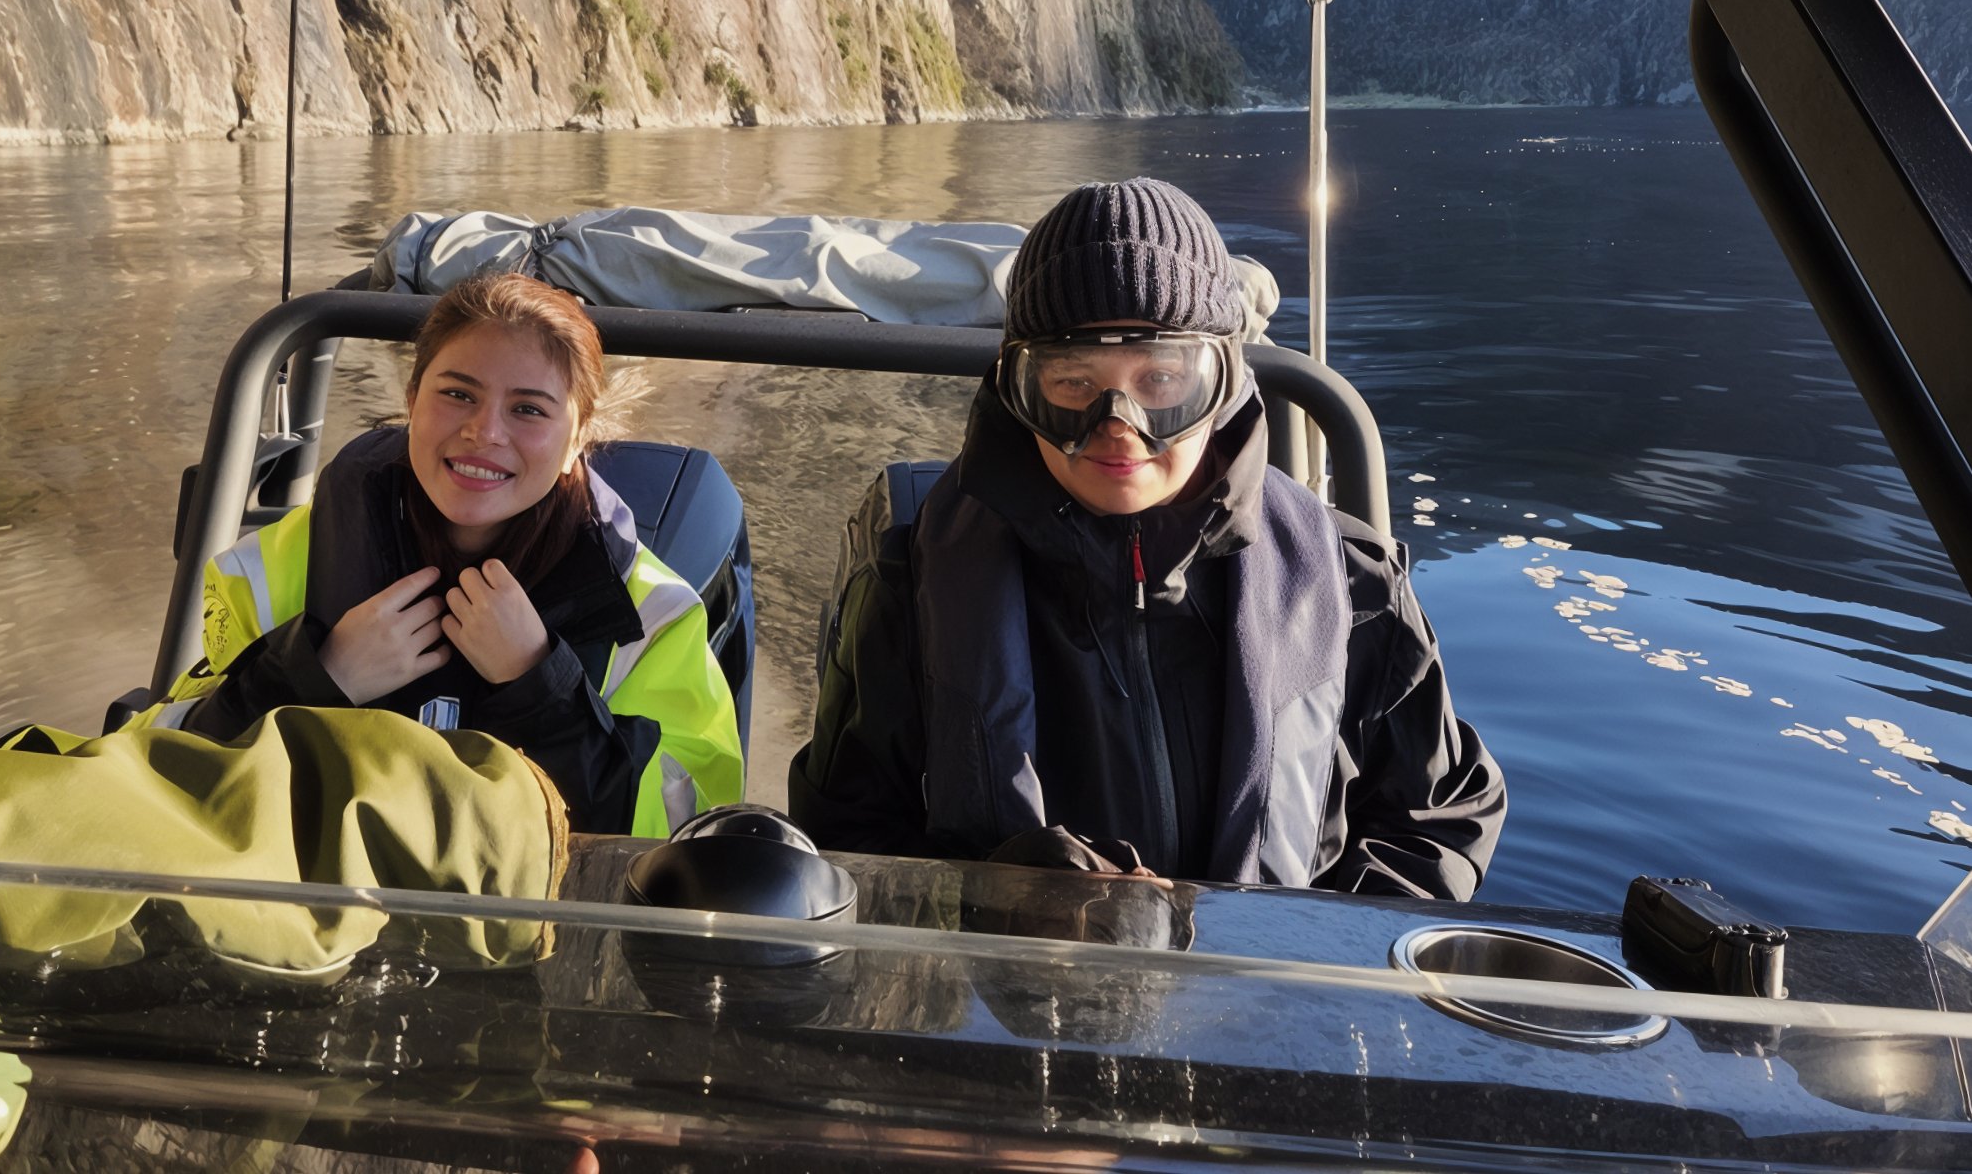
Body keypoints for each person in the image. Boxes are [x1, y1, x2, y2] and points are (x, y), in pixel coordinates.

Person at [787, 178, 1505, 898]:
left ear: (1221, 384)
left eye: (1162, 379)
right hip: (1018, 997)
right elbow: (845, 836)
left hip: (1264, 997)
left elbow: (1437, 818)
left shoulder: (1352, 587)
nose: (1117, 424)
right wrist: (985, 902)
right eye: (1070, 381)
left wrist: (1309, 953)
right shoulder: (913, 588)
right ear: (1016, 391)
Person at [140, 271, 743, 837]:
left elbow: (691, 834)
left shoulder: (649, 613)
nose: (486, 432)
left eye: (529, 409)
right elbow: (163, 771)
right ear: (412, 401)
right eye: (458, 394)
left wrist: (539, 685)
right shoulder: (270, 570)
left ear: (577, 439)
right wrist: (319, 674)